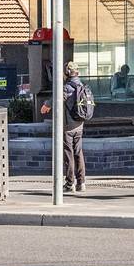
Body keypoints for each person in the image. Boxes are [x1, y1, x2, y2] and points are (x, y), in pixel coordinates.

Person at [40, 61, 90, 193]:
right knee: (78, 152)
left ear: (67, 73)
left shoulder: (67, 87)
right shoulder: (81, 85)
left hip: (68, 125)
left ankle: (69, 183)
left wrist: (46, 105)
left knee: (68, 154)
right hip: (79, 123)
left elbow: (56, 99)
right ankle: (81, 182)